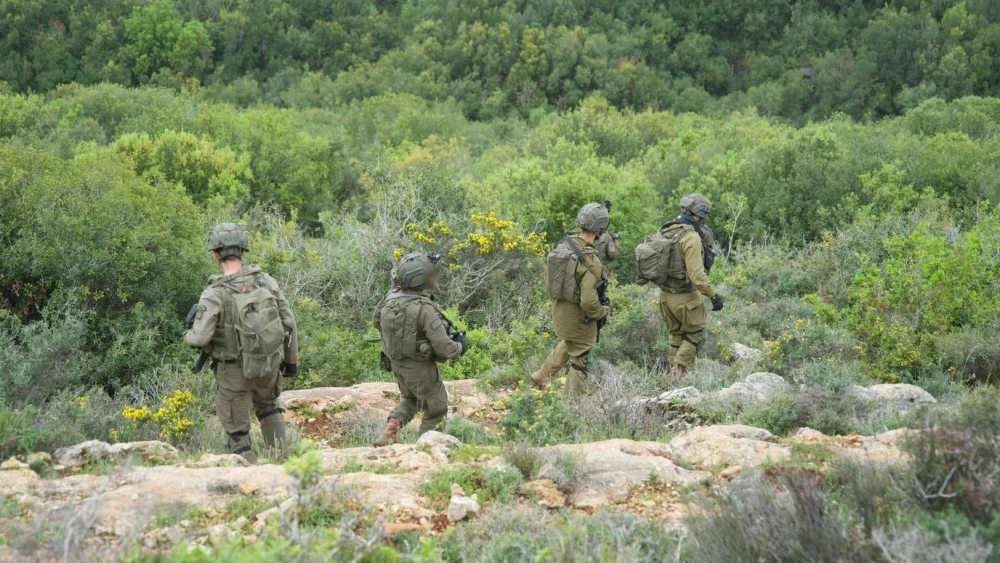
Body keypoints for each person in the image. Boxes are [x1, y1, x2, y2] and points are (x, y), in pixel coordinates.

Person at [185, 223, 298, 463]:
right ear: (244, 250)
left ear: (216, 254)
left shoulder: (214, 292)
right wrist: (291, 362)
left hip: (233, 372)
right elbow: (289, 323)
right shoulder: (266, 281)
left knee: (237, 431)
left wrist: (189, 330)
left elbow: (200, 338)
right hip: (268, 364)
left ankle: (252, 478)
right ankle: (284, 468)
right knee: (269, 408)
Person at [373, 253, 466, 447]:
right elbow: (444, 348)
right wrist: (460, 347)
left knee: (410, 398)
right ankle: (426, 449)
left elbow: (376, 321)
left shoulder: (390, 298)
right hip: (420, 370)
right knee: (436, 409)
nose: (434, 278)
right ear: (419, 279)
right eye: (430, 275)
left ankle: (391, 426)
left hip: (398, 365)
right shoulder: (424, 308)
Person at [531, 203, 610, 398]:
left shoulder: (564, 245)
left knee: (571, 342)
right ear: (599, 229)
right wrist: (602, 312)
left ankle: (542, 375)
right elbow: (589, 302)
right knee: (581, 357)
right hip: (579, 317)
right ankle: (572, 405)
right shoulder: (590, 258)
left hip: (560, 311)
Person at [658, 194, 723, 377]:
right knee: (694, 333)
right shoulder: (691, 236)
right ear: (701, 214)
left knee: (676, 335)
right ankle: (677, 372)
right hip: (685, 296)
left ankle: (671, 375)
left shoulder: (666, 230)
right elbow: (697, 274)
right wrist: (713, 295)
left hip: (664, 297)